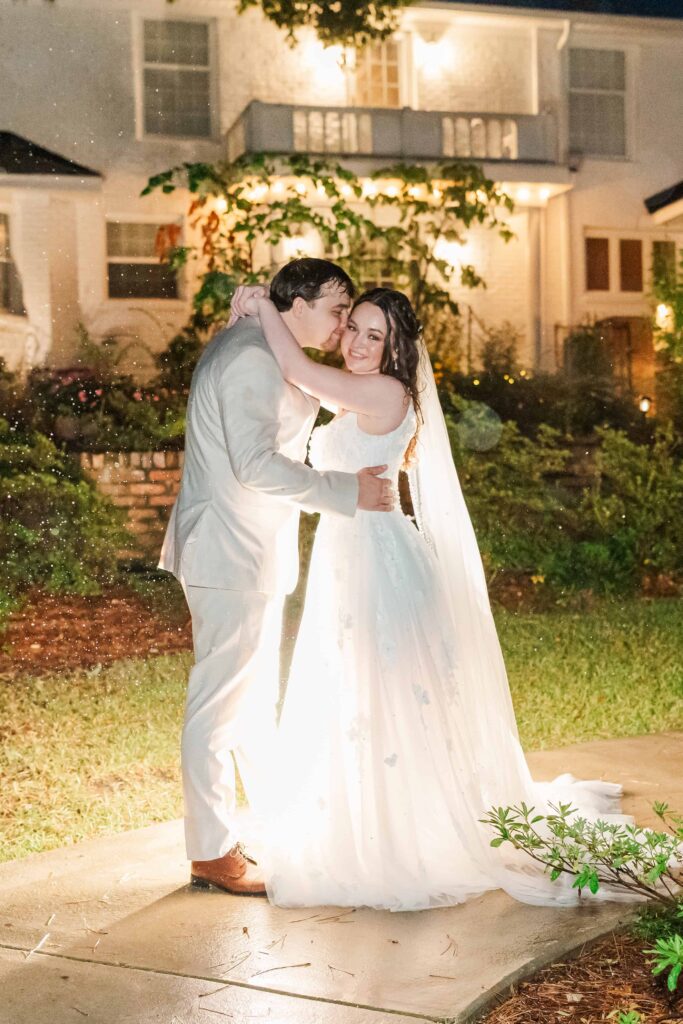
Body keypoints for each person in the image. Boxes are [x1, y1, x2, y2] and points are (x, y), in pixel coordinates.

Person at [230, 282, 650, 911]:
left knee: (389, 695)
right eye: (356, 329)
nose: (361, 343)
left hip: (381, 562)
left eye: (378, 335)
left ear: (397, 349)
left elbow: (294, 367)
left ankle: (402, 835)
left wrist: (261, 306)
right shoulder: (353, 395)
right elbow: (305, 389)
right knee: (356, 692)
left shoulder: (385, 391)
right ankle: (364, 818)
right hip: (351, 553)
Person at [158, 259, 395, 898]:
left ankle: (268, 825)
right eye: (337, 310)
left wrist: (258, 307)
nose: (344, 325)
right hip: (227, 554)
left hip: (247, 553)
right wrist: (345, 491)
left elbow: (310, 393)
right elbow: (256, 465)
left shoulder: (266, 346)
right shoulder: (248, 360)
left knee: (252, 703)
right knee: (218, 704)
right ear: (298, 303)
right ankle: (209, 852)